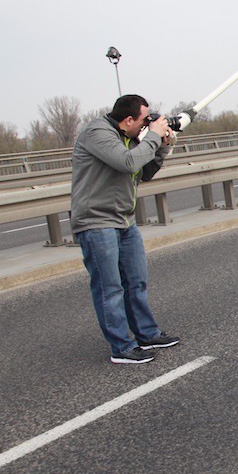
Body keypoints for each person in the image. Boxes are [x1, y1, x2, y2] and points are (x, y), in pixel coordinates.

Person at [71, 94, 180, 364]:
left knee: (136, 281)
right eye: (144, 121)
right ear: (128, 119)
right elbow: (128, 162)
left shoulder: (127, 137)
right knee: (110, 288)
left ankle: (147, 334)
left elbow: (143, 172)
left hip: (124, 220)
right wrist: (153, 136)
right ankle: (121, 347)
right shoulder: (97, 133)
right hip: (97, 222)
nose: (146, 125)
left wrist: (162, 146)